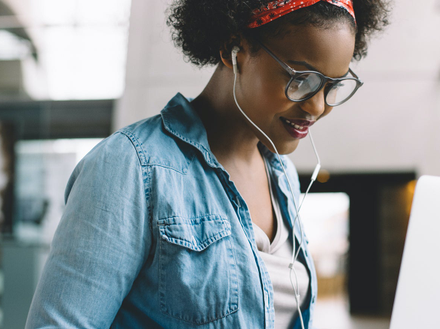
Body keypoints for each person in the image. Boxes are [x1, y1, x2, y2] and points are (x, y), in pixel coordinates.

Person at [25, 0, 389, 328]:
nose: (317, 107)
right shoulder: (130, 168)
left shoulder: (283, 176)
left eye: (333, 86)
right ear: (235, 49)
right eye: (301, 80)